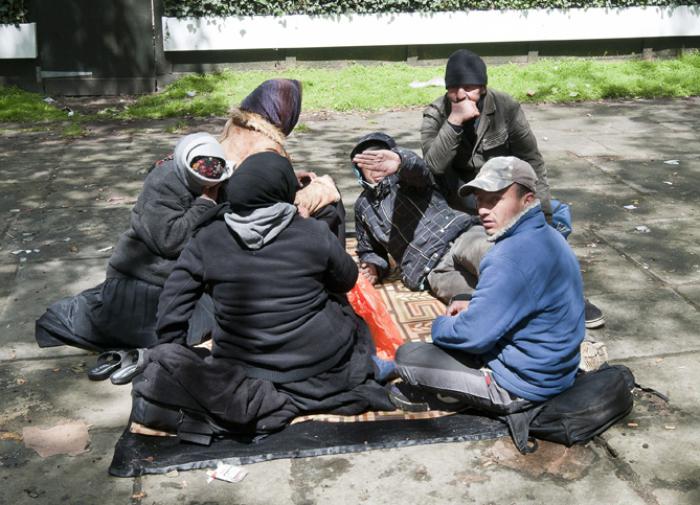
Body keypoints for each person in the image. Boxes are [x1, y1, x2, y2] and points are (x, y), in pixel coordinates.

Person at [129, 151, 394, 442]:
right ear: (284, 191)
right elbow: (346, 280)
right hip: (322, 364)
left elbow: (174, 300)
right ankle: (366, 370)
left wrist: (175, 353)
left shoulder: (208, 238)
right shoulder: (313, 233)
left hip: (242, 368)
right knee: (347, 315)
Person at [420, 49, 604, 327]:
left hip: (504, 194)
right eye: (453, 90)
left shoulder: (505, 107)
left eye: (469, 89)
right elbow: (433, 165)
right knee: (489, 252)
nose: (461, 95)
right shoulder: (436, 114)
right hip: (461, 201)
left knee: (546, 235)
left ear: (482, 88)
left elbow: (532, 161)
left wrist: (544, 218)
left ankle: (570, 296)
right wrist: (455, 121)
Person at [390, 156, 585, 416]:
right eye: (480, 199)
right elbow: (519, 299)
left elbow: (471, 336)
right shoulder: (548, 236)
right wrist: (473, 304)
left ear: (527, 200)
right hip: (559, 370)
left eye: (495, 200)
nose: (483, 209)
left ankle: (468, 395)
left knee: (409, 357)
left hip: (523, 386)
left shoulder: (510, 256)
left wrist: (440, 326)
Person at [34, 133, 230, 351]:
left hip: (182, 280)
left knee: (220, 324)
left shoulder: (219, 180)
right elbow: (170, 240)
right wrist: (204, 204)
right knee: (178, 336)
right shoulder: (163, 182)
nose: (208, 186)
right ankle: (79, 313)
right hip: (145, 280)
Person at [351, 132, 488, 303]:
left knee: (497, 263)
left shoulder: (407, 178)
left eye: (381, 160)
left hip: (460, 234)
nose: (376, 168)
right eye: (368, 163)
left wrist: (401, 161)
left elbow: (419, 169)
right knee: (475, 300)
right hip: (429, 268)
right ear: (359, 170)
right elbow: (369, 249)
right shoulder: (362, 206)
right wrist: (373, 267)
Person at [219, 78, 346, 245]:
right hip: (251, 215)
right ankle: (333, 264)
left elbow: (251, 173)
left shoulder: (235, 125)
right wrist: (321, 188)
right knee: (329, 194)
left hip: (232, 200)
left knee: (315, 186)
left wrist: (290, 177)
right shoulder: (267, 145)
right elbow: (267, 200)